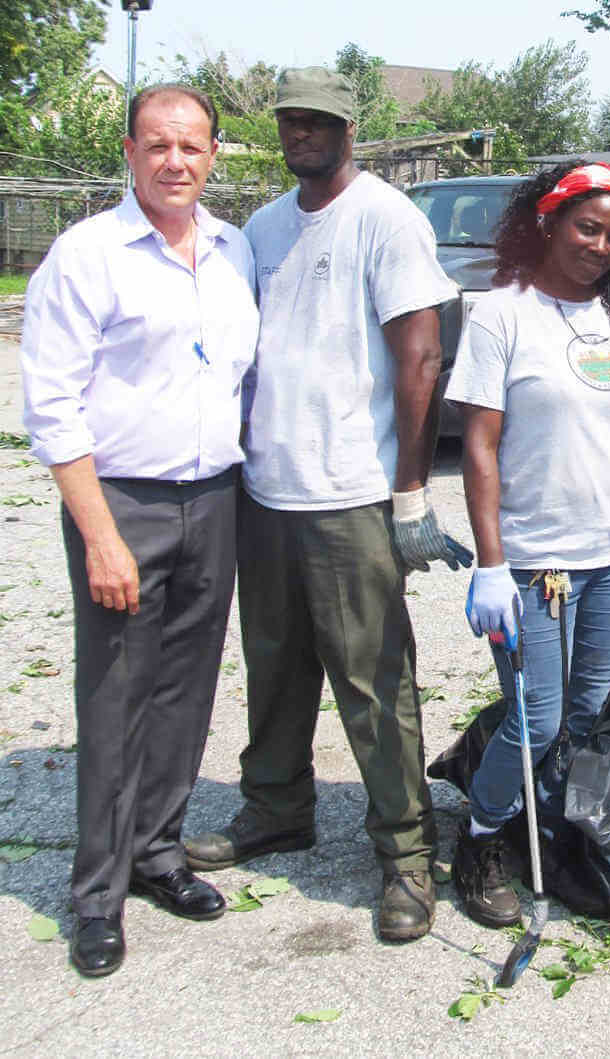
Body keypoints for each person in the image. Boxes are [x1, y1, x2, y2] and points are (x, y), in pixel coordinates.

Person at [183, 68, 465, 943]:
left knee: (374, 680)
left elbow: (420, 358)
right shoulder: (264, 227)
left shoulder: (385, 217)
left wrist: (410, 490)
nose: (301, 133)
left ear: (351, 128)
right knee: (273, 663)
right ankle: (275, 806)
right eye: (289, 121)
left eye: (319, 121)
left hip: (350, 493)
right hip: (269, 486)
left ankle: (406, 853)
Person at [21, 84, 258, 977]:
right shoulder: (87, 256)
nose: (175, 163)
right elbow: (52, 409)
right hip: (121, 499)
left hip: (216, 495)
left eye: (192, 147)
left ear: (212, 155)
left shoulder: (232, 251)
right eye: (158, 146)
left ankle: (158, 853)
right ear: (129, 153)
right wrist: (101, 537)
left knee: (187, 689)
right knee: (116, 697)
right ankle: (96, 893)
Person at [443, 162, 610, 927]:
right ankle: (479, 839)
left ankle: (544, 822)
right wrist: (490, 565)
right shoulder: (501, 314)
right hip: (536, 559)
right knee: (537, 718)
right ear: (548, 222)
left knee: (587, 711)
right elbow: (479, 446)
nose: (601, 246)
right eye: (587, 227)